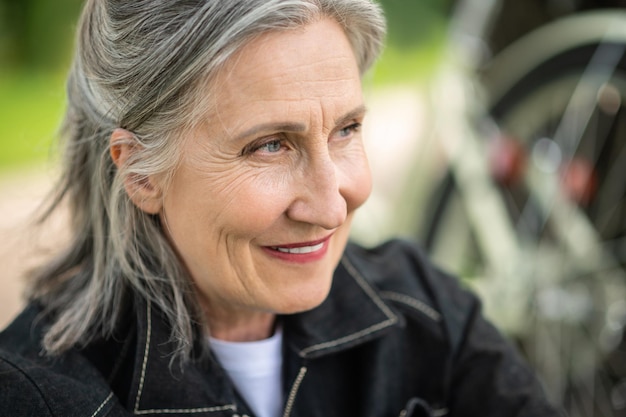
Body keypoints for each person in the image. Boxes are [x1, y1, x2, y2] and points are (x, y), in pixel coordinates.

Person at [0, 1, 564, 416]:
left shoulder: (425, 314)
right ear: (140, 171)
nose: (330, 205)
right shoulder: (39, 397)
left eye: (346, 129)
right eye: (271, 145)